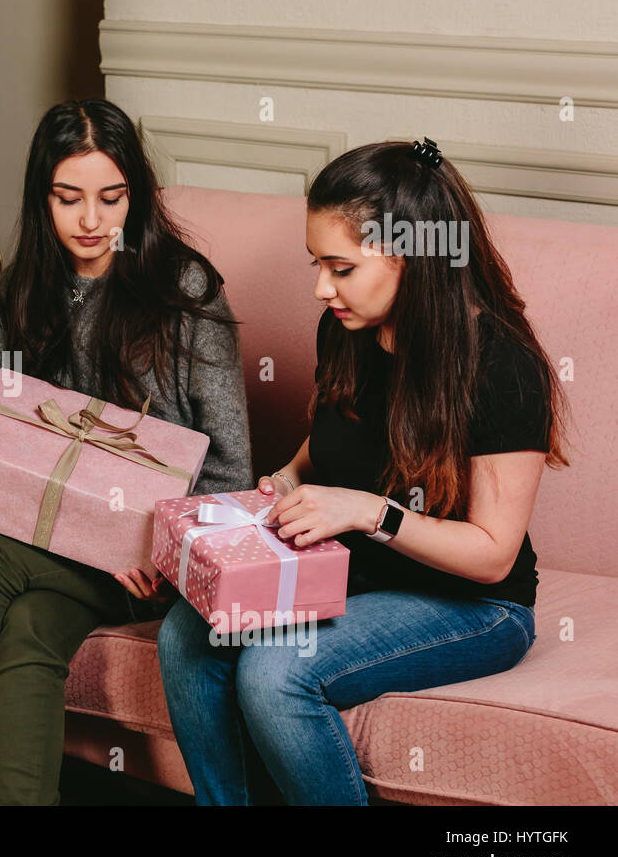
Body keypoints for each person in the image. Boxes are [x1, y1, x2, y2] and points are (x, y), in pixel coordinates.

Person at [157, 139, 570, 804]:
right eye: (317, 264)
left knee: (275, 671)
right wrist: (285, 483)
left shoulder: (502, 367)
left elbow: (494, 556)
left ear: (411, 258)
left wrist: (367, 512)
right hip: (354, 571)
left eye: (341, 268)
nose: (322, 288)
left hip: (474, 605)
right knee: (187, 633)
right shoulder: (344, 330)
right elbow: (326, 446)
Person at [0, 98, 253, 805]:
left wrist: (163, 552)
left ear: (137, 193)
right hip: (50, 538)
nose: (92, 220)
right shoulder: (23, 287)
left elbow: (231, 470)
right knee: (33, 628)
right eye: (69, 198)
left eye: (111, 198)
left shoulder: (185, 291)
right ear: (44, 198)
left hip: (144, 557)